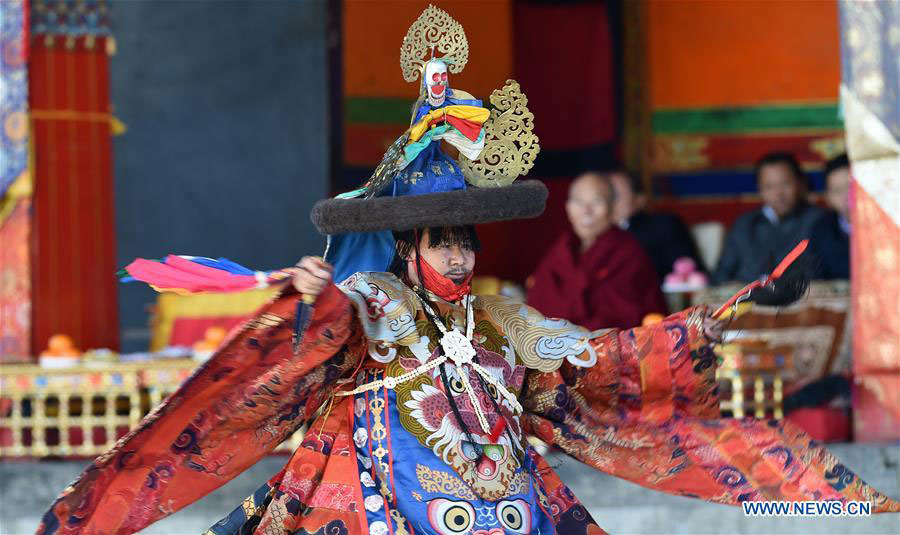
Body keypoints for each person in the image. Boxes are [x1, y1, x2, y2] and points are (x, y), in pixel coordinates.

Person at [39, 8, 898, 535]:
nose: (458, 255)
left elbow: (589, 356)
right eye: (442, 241)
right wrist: (312, 292)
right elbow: (328, 322)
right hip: (368, 484)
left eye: (466, 242)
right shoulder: (372, 301)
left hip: (500, 489)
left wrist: (683, 334)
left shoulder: (495, 321)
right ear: (410, 246)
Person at [527, 172, 667, 329]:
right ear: (568, 208)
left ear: (613, 208)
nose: (586, 211)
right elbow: (536, 309)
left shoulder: (628, 252)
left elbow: (626, 317)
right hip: (553, 347)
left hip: (609, 348)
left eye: (596, 201)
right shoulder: (560, 251)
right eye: (578, 202)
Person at [713, 152, 824, 284]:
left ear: (800, 183)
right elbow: (721, 275)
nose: (779, 193)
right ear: (759, 189)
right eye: (769, 186)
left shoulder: (818, 221)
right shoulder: (745, 224)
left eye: (785, 183)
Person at [608, 169, 703, 279]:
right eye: (602, 196)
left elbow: (687, 273)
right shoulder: (591, 234)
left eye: (615, 196)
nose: (608, 203)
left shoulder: (663, 225)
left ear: (640, 199)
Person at [808, 154, 851, 279]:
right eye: (837, 190)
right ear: (828, 199)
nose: (846, 196)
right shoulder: (821, 231)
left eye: (851, 186)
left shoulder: (890, 224)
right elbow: (817, 278)